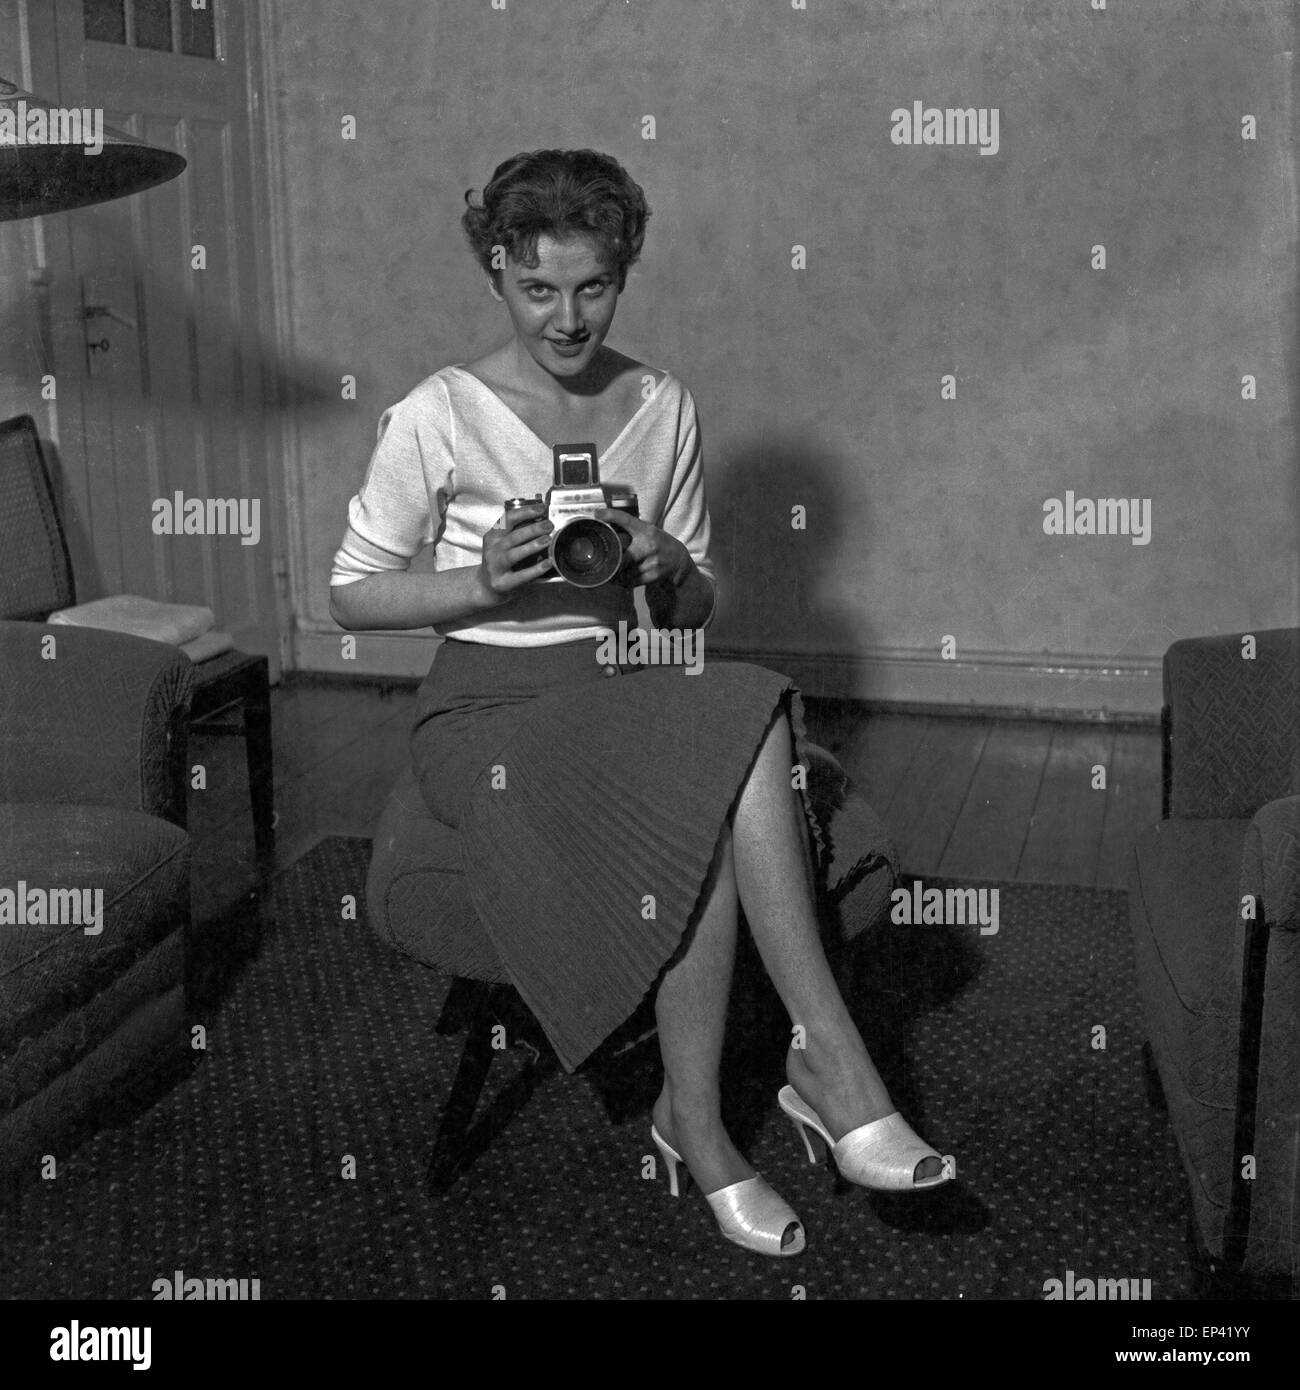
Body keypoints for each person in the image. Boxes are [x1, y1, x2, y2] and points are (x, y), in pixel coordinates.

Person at [330, 149, 951, 1257]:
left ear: (624, 273)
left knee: (720, 734)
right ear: (494, 271)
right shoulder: (437, 412)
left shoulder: (662, 405)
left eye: (593, 287)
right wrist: (480, 582)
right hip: (488, 714)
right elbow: (350, 591)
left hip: (627, 684)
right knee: (738, 725)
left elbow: (695, 608)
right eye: (537, 289)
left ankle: (698, 1121)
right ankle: (822, 1072)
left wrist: (667, 566)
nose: (566, 319)